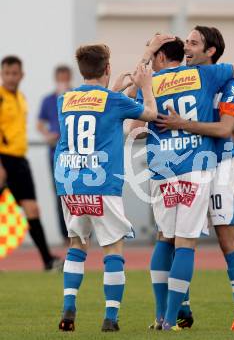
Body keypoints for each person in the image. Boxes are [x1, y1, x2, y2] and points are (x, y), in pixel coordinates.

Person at [133, 36, 234, 331]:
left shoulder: (225, 81)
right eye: (185, 43)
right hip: (195, 165)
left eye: (194, 43)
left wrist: (181, 124)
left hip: (219, 163)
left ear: (210, 51)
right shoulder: (199, 76)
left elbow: (226, 128)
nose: (187, 48)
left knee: (224, 239)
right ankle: (180, 312)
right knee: (176, 237)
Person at [56, 44, 157, 332]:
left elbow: (97, 111)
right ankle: (111, 317)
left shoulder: (65, 99)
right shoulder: (113, 100)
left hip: (70, 183)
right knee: (113, 248)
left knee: (77, 245)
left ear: (81, 69)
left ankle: (68, 306)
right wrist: (145, 86)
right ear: (108, 67)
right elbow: (149, 113)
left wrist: (116, 89)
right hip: (102, 184)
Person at [0, 55, 62, 271]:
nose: (10, 77)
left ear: (21, 74)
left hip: (19, 161)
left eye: (14, 73)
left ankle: (47, 260)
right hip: (2, 159)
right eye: (6, 73)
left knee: (32, 209)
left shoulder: (21, 97)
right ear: (2, 74)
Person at [37, 65, 72, 244]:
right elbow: (40, 123)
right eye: (60, 78)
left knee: (78, 192)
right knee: (60, 195)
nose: (63, 82)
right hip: (55, 154)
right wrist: (47, 135)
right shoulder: (48, 100)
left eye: (66, 78)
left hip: (75, 155)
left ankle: (82, 232)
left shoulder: (76, 97)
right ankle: (66, 236)